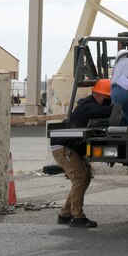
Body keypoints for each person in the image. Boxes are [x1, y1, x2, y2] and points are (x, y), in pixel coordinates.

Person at [50, 79, 113, 228]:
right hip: (63, 147)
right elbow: (106, 112)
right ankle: (77, 217)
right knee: (80, 178)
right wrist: (122, 102)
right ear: (97, 94)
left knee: (83, 178)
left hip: (68, 147)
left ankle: (65, 214)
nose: (107, 102)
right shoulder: (88, 106)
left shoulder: (89, 104)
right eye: (106, 99)